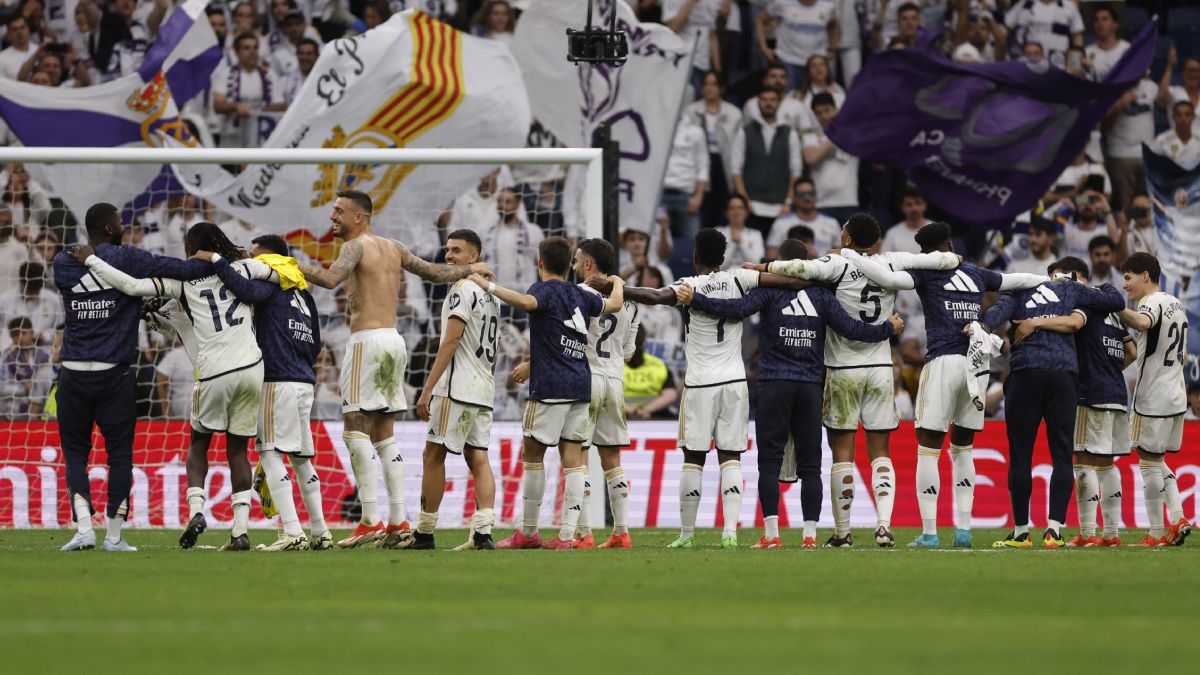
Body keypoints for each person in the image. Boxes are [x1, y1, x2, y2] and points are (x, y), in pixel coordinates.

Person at [296, 189, 490, 548]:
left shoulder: (354, 247)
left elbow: (329, 280)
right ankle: (399, 521)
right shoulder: (394, 246)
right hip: (394, 341)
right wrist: (470, 268)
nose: (332, 217)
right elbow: (433, 273)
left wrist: (286, 264)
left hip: (366, 340)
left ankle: (369, 518)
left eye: (338, 211)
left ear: (359, 217)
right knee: (384, 434)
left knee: (354, 428)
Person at [679, 238, 902, 549]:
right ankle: (809, 535)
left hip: (774, 384)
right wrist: (886, 329)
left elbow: (736, 309)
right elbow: (851, 328)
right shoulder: (822, 295)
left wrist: (697, 299)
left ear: (780, 262)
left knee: (769, 463)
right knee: (811, 465)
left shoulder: (770, 291)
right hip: (810, 385)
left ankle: (772, 535)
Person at [757, 213, 959, 547]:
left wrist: (763, 267)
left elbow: (798, 268)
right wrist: (955, 257)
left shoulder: (836, 264)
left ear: (848, 240)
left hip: (842, 369)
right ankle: (883, 525)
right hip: (881, 367)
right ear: (877, 240)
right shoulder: (893, 262)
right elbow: (937, 260)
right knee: (881, 452)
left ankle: (843, 532)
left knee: (842, 454)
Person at [844, 222, 1046, 548]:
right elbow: (1016, 281)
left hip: (942, 362)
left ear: (926, 251)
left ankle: (929, 533)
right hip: (976, 364)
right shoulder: (976, 272)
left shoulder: (928, 272)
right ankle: (963, 531)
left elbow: (890, 278)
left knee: (929, 448)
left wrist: (849, 256)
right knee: (963, 447)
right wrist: (1051, 280)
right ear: (950, 244)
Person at [611, 227, 806, 549]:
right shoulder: (739, 279)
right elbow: (789, 281)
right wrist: (775, 270)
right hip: (734, 381)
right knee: (731, 457)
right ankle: (730, 531)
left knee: (693, 457)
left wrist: (618, 287)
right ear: (724, 256)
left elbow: (656, 296)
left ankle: (687, 535)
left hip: (700, 382)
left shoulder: (688, 286)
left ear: (695, 256)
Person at [76, 223, 264, 551]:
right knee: (237, 450)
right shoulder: (242, 267)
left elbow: (133, 286)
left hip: (215, 371)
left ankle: (196, 512)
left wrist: (92, 260)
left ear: (191, 248)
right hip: (252, 368)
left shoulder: (182, 280)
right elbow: (271, 268)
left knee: (198, 445)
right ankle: (240, 530)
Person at [54, 203, 209, 553]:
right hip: (115, 376)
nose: (124, 226)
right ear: (109, 229)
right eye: (120, 222)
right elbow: (178, 270)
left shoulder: (63, 262)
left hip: (74, 374)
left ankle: (82, 530)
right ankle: (113, 536)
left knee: (75, 454)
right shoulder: (127, 259)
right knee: (120, 456)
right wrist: (215, 260)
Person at [477, 236, 625, 550]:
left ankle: (528, 532)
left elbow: (527, 304)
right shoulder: (579, 293)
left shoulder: (541, 290)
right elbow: (614, 304)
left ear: (540, 263)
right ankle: (569, 537)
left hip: (550, 388)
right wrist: (618, 281)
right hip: (580, 385)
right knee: (573, 461)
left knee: (532, 455)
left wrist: (489, 286)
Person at [983, 257, 1124, 548]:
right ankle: (1054, 532)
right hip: (1063, 377)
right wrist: (1081, 285)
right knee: (1062, 455)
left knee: (1021, 455)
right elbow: (1114, 298)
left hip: (1026, 373)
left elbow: (995, 315)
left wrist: (977, 326)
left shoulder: (1019, 289)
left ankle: (1021, 532)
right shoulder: (1070, 290)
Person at [203, 234, 332, 552]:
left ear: (271, 258)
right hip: (304, 380)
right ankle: (321, 531)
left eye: (257, 255)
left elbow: (245, 289)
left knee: (271, 453)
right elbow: (316, 342)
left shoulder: (272, 284)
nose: (254, 260)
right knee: (301, 459)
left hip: (277, 378)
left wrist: (217, 261)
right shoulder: (303, 293)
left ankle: (292, 531)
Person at [531, 239, 642, 549]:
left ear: (589, 264)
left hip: (585, 378)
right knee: (612, 459)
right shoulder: (629, 303)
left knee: (576, 457)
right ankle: (621, 532)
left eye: (578, 260)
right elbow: (630, 351)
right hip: (615, 382)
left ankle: (583, 533)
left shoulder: (578, 296)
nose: (574, 265)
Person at [404, 230, 500, 551]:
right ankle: (483, 533)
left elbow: (451, 341)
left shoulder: (462, 289)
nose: (448, 256)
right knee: (479, 458)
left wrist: (427, 389)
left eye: (456, 251)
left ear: (474, 257)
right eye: (447, 250)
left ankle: (425, 533)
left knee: (433, 454)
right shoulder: (491, 294)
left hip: (456, 387)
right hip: (483, 387)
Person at [1116, 253, 1192, 547]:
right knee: (1157, 461)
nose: (1125, 285)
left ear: (1145, 275)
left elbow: (1143, 322)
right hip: (1176, 394)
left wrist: (1116, 307)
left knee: (1148, 463)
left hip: (1152, 395)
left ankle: (1157, 532)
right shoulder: (1176, 303)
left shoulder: (1150, 302)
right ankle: (1179, 518)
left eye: (1128, 277)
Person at [731, 88, 801, 237]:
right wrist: (745, 202)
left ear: (779, 103)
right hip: (752, 206)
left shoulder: (790, 133)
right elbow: (736, 170)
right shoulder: (745, 132)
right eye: (764, 100)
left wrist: (788, 202)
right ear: (758, 103)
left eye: (772, 100)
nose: (768, 103)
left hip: (781, 207)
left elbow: (796, 171)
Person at [686, 70, 742, 229]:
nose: (710, 88)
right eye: (706, 84)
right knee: (704, 208)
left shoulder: (734, 113)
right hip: (699, 163)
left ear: (721, 88)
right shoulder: (691, 111)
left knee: (723, 205)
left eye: (714, 84)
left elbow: (738, 146)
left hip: (724, 163)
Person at [213, 32, 287, 148]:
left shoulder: (270, 75)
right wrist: (236, 106)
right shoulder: (225, 74)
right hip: (231, 143)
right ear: (236, 52)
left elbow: (280, 105)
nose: (252, 52)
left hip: (261, 142)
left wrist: (255, 112)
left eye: (255, 47)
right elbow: (218, 105)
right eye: (246, 48)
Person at [801, 91, 858, 224]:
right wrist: (834, 135)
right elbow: (811, 159)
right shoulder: (811, 137)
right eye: (818, 113)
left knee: (849, 245)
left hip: (848, 200)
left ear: (836, 110)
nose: (824, 116)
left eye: (827, 110)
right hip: (821, 202)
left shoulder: (852, 134)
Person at [755, 0, 839, 91]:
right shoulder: (782, 3)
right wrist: (764, 47)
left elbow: (833, 26)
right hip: (788, 60)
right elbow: (760, 19)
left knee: (818, 98)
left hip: (815, 63)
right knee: (788, 99)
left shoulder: (828, 6)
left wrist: (832, 49)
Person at [660, 111, 709, 241]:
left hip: (687, 196)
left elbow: (703, 165)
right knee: (656, 241)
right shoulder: (655, 127)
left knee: (694, 245)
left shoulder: (695, 132)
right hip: (660, 195)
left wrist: (698, 196)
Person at [766, 178, 840, 257]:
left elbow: (840, 257)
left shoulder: (832, 223)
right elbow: (771, 257)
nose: (807, 197)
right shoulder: (781, 224)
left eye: (811, 193)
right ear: (794, 198)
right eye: (802, 194)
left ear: (816, 195)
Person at [1004, 0, 1083, 69]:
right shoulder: (1025, 4)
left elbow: (1077, 38)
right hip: (1029, 64)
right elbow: (1007, 29)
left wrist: (1075, 65)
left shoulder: (1068, 6)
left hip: (1058, 64)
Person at [624, 324, 680, 419]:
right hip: (649, 415)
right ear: (645, 340)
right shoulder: (659, 365)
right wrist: (642, 411)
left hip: (650, 415)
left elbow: (670, 395)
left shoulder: (611, 365)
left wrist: (635, 411)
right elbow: (670, 395)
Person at [715, 194, 765, 268]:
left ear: (746, 212)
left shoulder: (755, 234)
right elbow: (716, 265)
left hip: (749, 278)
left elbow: (758, 264)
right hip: (723, 277)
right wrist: (733, 244)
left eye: (740, 208)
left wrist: (741, 243)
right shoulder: (717, 232)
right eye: (732, 208)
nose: (736, 211)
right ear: (726, 213)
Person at [881, 187, 929, 255]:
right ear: (902, 207)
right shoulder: (892, 234)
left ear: (925, 205)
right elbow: (884, 261)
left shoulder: (938, 232)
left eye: (918, 203)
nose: (914, 208)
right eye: (909, 205)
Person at [1084, 5, 1127, 81]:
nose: (1100, 23)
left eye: (1104, 19)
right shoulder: (1087, 51)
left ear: (1115, 24)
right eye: (1096, 20)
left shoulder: (1127, 49)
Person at [1154, 101, 1200, 167]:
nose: (1183, 118)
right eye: (1179, 115)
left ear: (1193, 117)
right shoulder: (1161, 140)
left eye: (1187, 114)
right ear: (1173, 117)